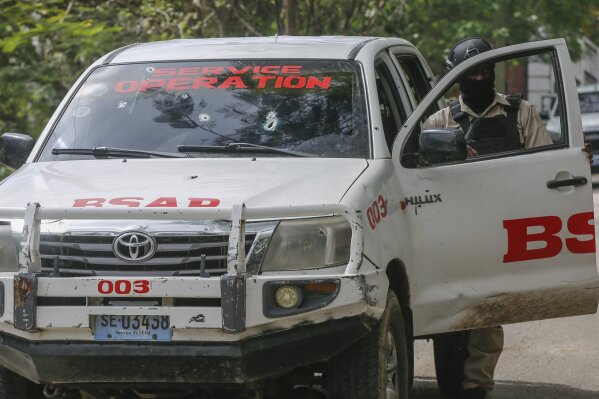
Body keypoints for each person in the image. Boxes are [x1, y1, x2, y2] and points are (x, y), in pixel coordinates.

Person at [423, 37, 554, 399]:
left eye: (484, 71)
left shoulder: (520, 112)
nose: (478, 79)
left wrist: (575, 160)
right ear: (457, 77)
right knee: (444, 306)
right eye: (471, 73)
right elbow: (419, 173)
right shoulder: (439, 119)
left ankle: (477, 386)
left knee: (489, 309)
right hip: (449, 228)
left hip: (500, 228)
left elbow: (546, 164)